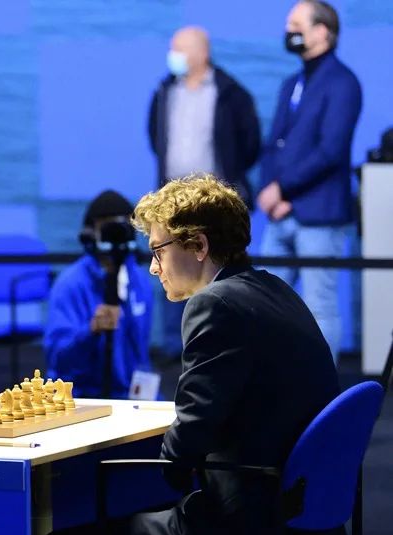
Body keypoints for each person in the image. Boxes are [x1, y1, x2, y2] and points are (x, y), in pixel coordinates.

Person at [37, 176, 342, 535]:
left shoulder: (214, 305)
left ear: (198, 246)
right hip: (307, 525)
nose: (153, 268)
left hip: (244, 532)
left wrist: (165, 465)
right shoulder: (276, 290)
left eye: (158, 251)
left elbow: (182, 451)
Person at [148, 26, 261, 363]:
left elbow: (250, 143)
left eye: (179, 49)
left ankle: (221, 341)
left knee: (217, 267)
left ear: (201, 53)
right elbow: (155, 137)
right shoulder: (165, 91)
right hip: (171, 201)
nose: (173, 56)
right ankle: (175, 344)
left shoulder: (230, 93)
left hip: (214, 205)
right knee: (168, 265)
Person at [258, 0, 361, 364]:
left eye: (296, 24)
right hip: (280, 215)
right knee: (265, 306)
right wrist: (268, 188)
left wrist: (283, 190)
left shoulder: (343, 83)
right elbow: (274, 143)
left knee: (319, 306)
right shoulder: (293, 83)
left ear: (322, 32)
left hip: (319, 215)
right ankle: (271, 383)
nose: (289, 31)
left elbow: (330, 150)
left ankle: (323, 386)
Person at [44, 191, 153, 399]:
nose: (117, 235)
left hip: (132, 397)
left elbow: (141, 354)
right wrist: (90, 331)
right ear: (90, 233)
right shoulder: (70, 284)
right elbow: (58, 361)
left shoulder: (139, 280)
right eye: (109, 228)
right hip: (84, 397)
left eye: (124, 227)